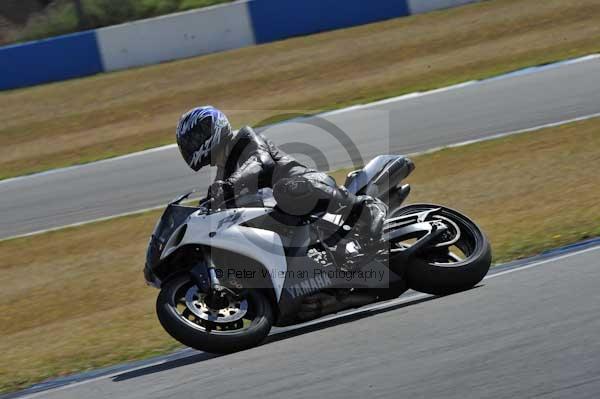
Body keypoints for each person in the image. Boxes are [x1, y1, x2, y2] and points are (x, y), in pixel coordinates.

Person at [175, 106, 387, 242]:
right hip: (284, 217)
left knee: (285, 188)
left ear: (212, 130)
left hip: (306, 184)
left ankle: (364, 206)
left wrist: (229, 186)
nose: (191, 146)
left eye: (195, 139)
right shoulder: (223, 173)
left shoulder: (245, 140)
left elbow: (259, 162)